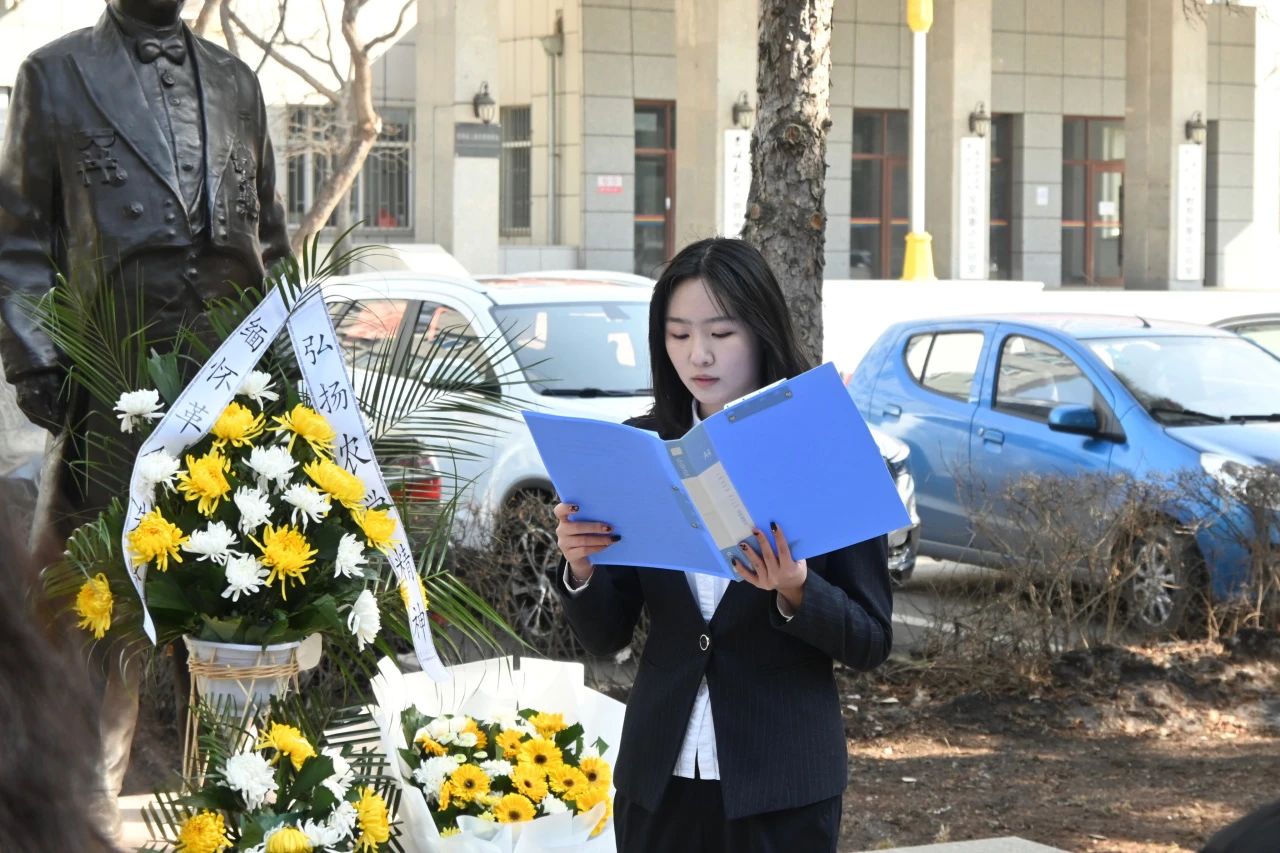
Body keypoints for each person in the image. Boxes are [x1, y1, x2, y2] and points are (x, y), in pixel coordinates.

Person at [0, 0, 291, 839]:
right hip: (110, 406)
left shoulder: (238, 82)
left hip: (231, 413)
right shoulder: (55, 75)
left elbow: (270, 242)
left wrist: (284, 373)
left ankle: (240, 816)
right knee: (96, 638)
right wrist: (37, 356)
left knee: (241, 625)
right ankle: (80, 823)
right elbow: (18, 240)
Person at [553, 237, 894, 852]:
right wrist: (582, 570)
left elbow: (870, 639)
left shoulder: (826, 445)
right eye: (678, 334)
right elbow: (607, 637)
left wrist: (796, 589)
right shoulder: (643, 447)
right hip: (659, 778)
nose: (698, 354)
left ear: (761, 331)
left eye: (721, 333)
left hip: (781, 785)